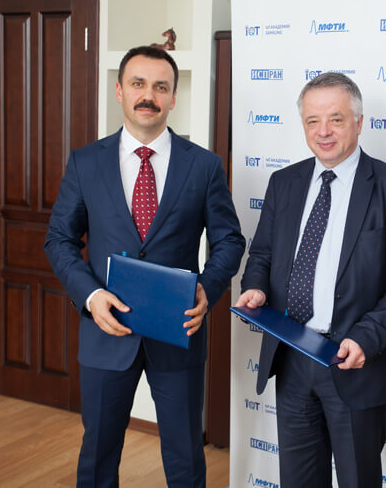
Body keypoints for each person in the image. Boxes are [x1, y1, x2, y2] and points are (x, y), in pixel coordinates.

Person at [45, 45, 245, 487]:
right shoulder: (85, 162)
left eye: (160, 86)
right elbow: (59, 239)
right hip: (105, 332)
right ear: (119, 91)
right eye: (138, 84)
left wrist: (207, 289)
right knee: (98, 455)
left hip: (178, 332)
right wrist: (90, 296)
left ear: (173, 97)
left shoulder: (204, 165)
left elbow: (230, 240)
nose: (148, 95)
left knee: (185, 457)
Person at [236, 72, 386, 488]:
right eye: (312, 121)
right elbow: (261, 255)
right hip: (292, 356)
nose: (323, 132)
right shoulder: (283, 183)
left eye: (336, 119)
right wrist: (256, 287)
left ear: (359, 121)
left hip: (355, 361)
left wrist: (365, 339)